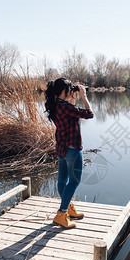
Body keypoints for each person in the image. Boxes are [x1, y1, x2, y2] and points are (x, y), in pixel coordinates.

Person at [44, 78, 94, 228]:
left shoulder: (55, 106)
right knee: (74, 181)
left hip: (61, 149)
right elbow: (89, 114)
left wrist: (71, 96)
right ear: (64, 91)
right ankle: (61, 214)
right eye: (69, 90)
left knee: (62, 181)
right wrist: (84, 96)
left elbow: (70, 113)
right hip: (73, 149)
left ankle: (68, 207)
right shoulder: (64, 106)